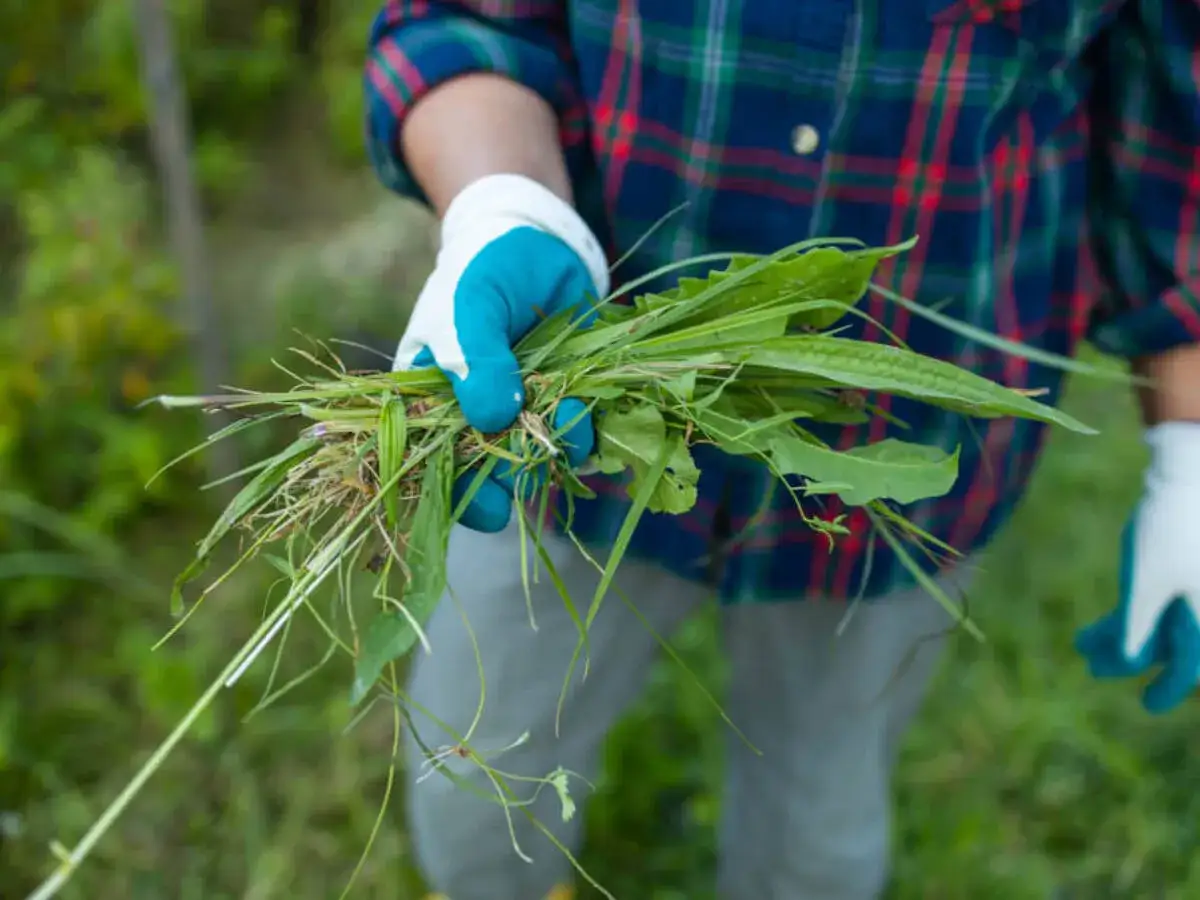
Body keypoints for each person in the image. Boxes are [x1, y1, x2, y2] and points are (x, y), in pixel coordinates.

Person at [363, 2, 1200, 897]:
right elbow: (466, 23)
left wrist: (1187, 455)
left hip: (895, 464)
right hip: (565, 421)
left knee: (817, 829)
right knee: (475, 777)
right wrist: (505, 204)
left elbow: (1175, 144)